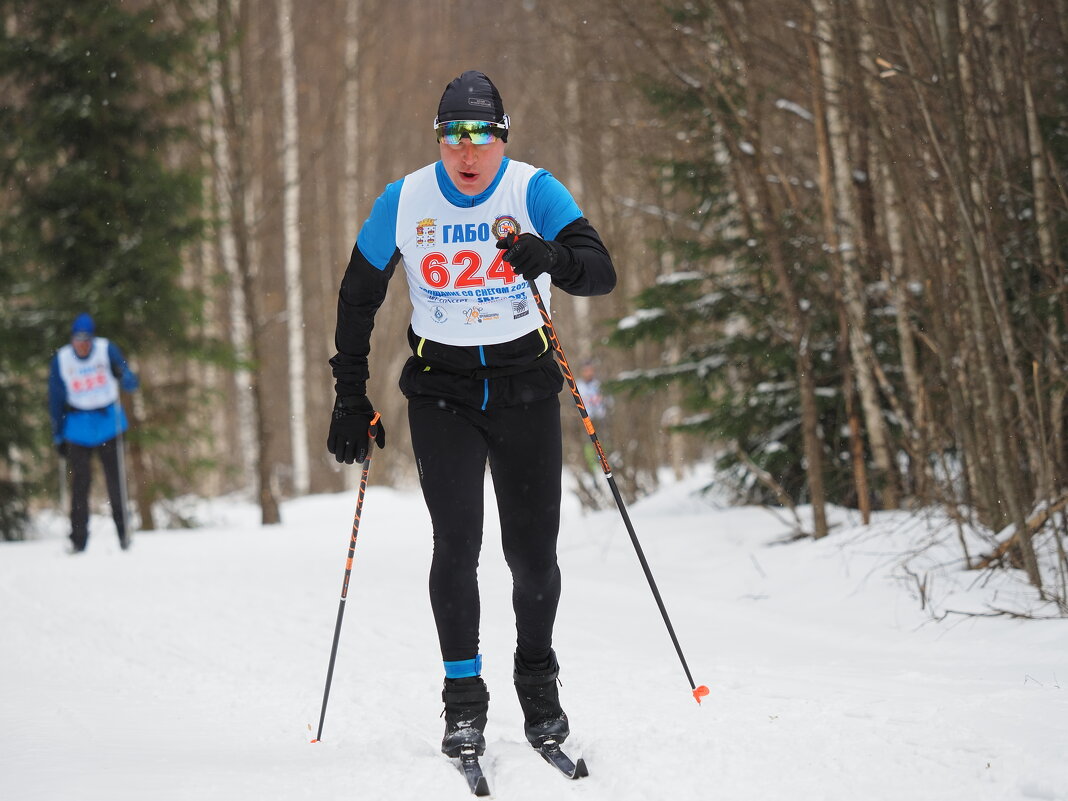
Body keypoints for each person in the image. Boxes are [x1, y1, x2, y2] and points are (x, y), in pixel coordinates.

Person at [327, 70, 616, 759]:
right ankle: (464, 705)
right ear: (439, 139)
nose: (466, 150)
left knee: (532, 555)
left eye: (480, 135)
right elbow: (355, 296)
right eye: (452, 135)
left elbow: (599, 271)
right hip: (443, 391)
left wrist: (550, 255)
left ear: (501, 138)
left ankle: (538, 686)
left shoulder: (532, 190)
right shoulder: (404, 200)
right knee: (457, 546)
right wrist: (349, 393)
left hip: (523, 386)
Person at [49, 313, 140, 553]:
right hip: (78, 427)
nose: (82, 345)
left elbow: (129, 380)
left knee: (116, 480)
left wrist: (125, 377)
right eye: (77, 340)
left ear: (92, 338)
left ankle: (124, 534)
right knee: (80, 484)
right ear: (71, 339)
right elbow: (56, 398)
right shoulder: (62, 359)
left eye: (86, 339)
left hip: (108, 423)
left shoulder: (106, 349)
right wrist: (58, 433)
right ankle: (78, 539)